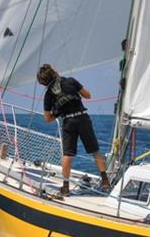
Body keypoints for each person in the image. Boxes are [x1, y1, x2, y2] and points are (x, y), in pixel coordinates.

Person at [36, 64, 109, 196]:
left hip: (68, 122)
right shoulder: (70, 81)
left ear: (44, 83)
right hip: (82, 118)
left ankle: (65, 187)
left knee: (68, 155)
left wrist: (58, 113)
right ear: (54, 72)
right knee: (95, 151)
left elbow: (47, 118)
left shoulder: (48, 95)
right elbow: (88, 95)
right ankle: (105, 181)